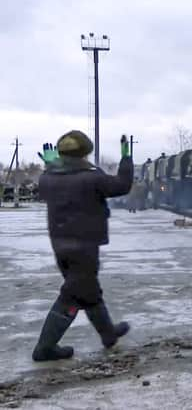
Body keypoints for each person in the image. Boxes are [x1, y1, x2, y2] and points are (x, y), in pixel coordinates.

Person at [32, 131, 133, 362]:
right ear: (84, 153)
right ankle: (44, 348)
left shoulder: (48, 177)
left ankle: (108, 334)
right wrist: (126, 158)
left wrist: (50, 165)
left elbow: (51, 183)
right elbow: (122, 186)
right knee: (72, 296)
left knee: (89, 292)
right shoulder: (92, 177)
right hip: (84, 247)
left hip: (60, 246)